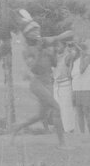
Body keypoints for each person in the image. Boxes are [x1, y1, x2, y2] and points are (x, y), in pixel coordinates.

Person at [8, 14, 74, 147]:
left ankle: (18, 127)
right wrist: (39, 51)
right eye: (33, 31)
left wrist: (53, 52)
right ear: (27, 34)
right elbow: (32, 67)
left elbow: (54, 62)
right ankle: (62, 144)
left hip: (48, 82)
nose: (36, 32)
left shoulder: (44, 42)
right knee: (57, 108)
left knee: (40, 115)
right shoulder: (27, 50)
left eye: (37, 29)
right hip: (37, 83)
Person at [68, 41, 90, 134]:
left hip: (86, 89)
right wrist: (71, 61)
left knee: (86, 111)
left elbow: (81, 70)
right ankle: (82, 134)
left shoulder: (86, 59)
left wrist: (82, 57)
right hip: (76, 89)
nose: (72, 52)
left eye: (73, 50)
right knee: (79, 113)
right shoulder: (74, 61)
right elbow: (70, 75)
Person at [53, 41, 76, 134]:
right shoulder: (55, 57)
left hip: (65, 84)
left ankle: (69, 129)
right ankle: (60, 128)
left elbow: (73, 53)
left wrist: (71, 48)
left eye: (59, 45)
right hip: (56, 85)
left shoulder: (67, 56)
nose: (57, 47)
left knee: (66, 107)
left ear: (64, 46)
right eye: (56, 46)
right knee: (57, 107)